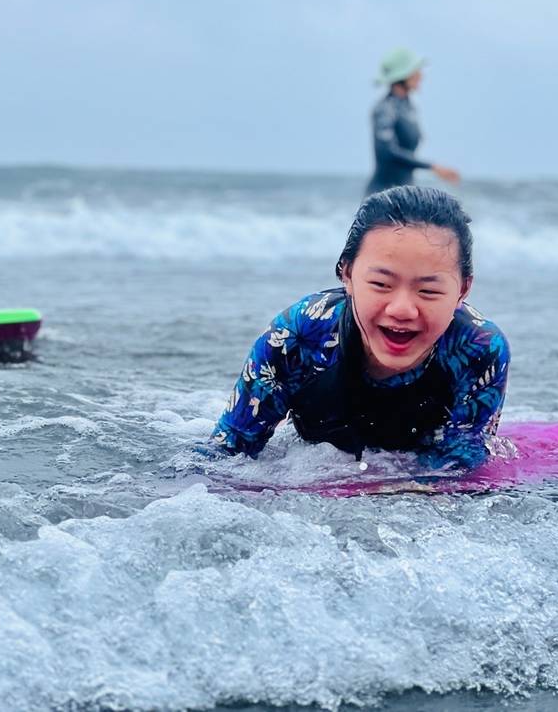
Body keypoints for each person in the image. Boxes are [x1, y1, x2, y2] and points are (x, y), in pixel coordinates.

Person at [210, 186, 509, 469]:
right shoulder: (297, 336)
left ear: (463, 289)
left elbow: (458, 472)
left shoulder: (479, 348)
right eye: (381, 284)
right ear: (348, 273)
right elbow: (227, 455)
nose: (402, 309)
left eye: (428, 291)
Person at [366, 48, 460, 196]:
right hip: (382, 197)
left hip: (405, 194)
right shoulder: (384, 109)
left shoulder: (409, 107)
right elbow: (388, 152)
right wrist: (433, 167)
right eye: (415, 70)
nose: (420, 75)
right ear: (401, 76)